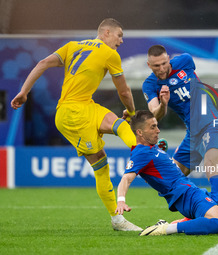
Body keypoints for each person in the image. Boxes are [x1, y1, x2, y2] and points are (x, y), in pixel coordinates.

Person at [11, 18, 141, 231]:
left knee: (119, 124)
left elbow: (42, 63)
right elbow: (124, 91)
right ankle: (117, 220)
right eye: (119, 35)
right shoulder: (110, 54)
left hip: (85, 106)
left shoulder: (72, 46)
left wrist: (24, 91)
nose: (121, 41)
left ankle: (143, 154)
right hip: (72, 115)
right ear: (106, 32)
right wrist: (133, 111)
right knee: (101, 166)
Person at [143, 44, 218, 196]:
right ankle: (198, 207)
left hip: (211, 124)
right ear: (149, 65)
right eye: (156, 66)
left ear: (169, 59)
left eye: (164, 63)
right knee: (170, 181)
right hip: (193, 134)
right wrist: (163, 103)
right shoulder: (149, 85)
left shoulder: (185, 61)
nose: (161, 69)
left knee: (211, 165)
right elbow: (155, 115)